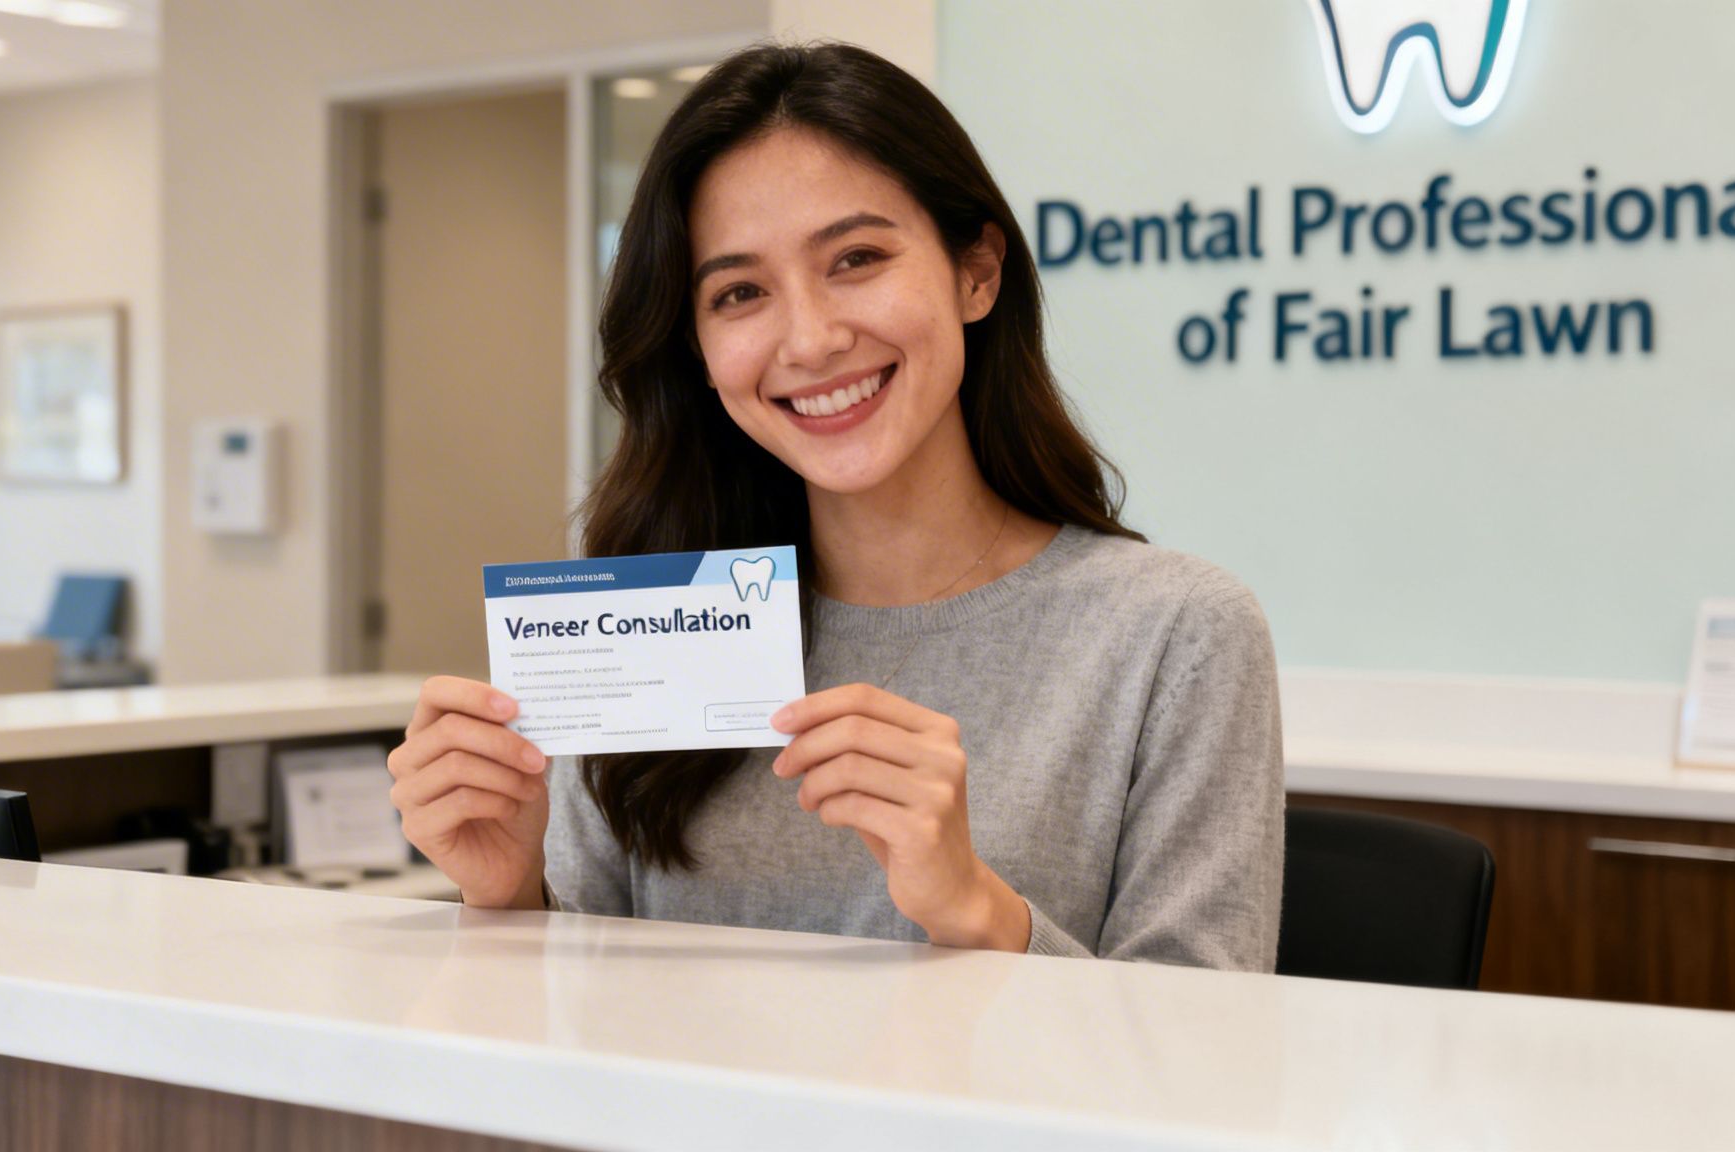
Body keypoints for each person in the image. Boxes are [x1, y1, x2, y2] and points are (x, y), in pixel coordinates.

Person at [387, 42, 1282, 968]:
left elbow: (1198, 1065)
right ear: (695, 346)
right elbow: (579, 1034)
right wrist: (505, 892)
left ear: (976, 271)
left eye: (856, 258)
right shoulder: (644, 622)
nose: (811, 340)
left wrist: (977, 910)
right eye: (739, 292)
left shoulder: (1176, 636)